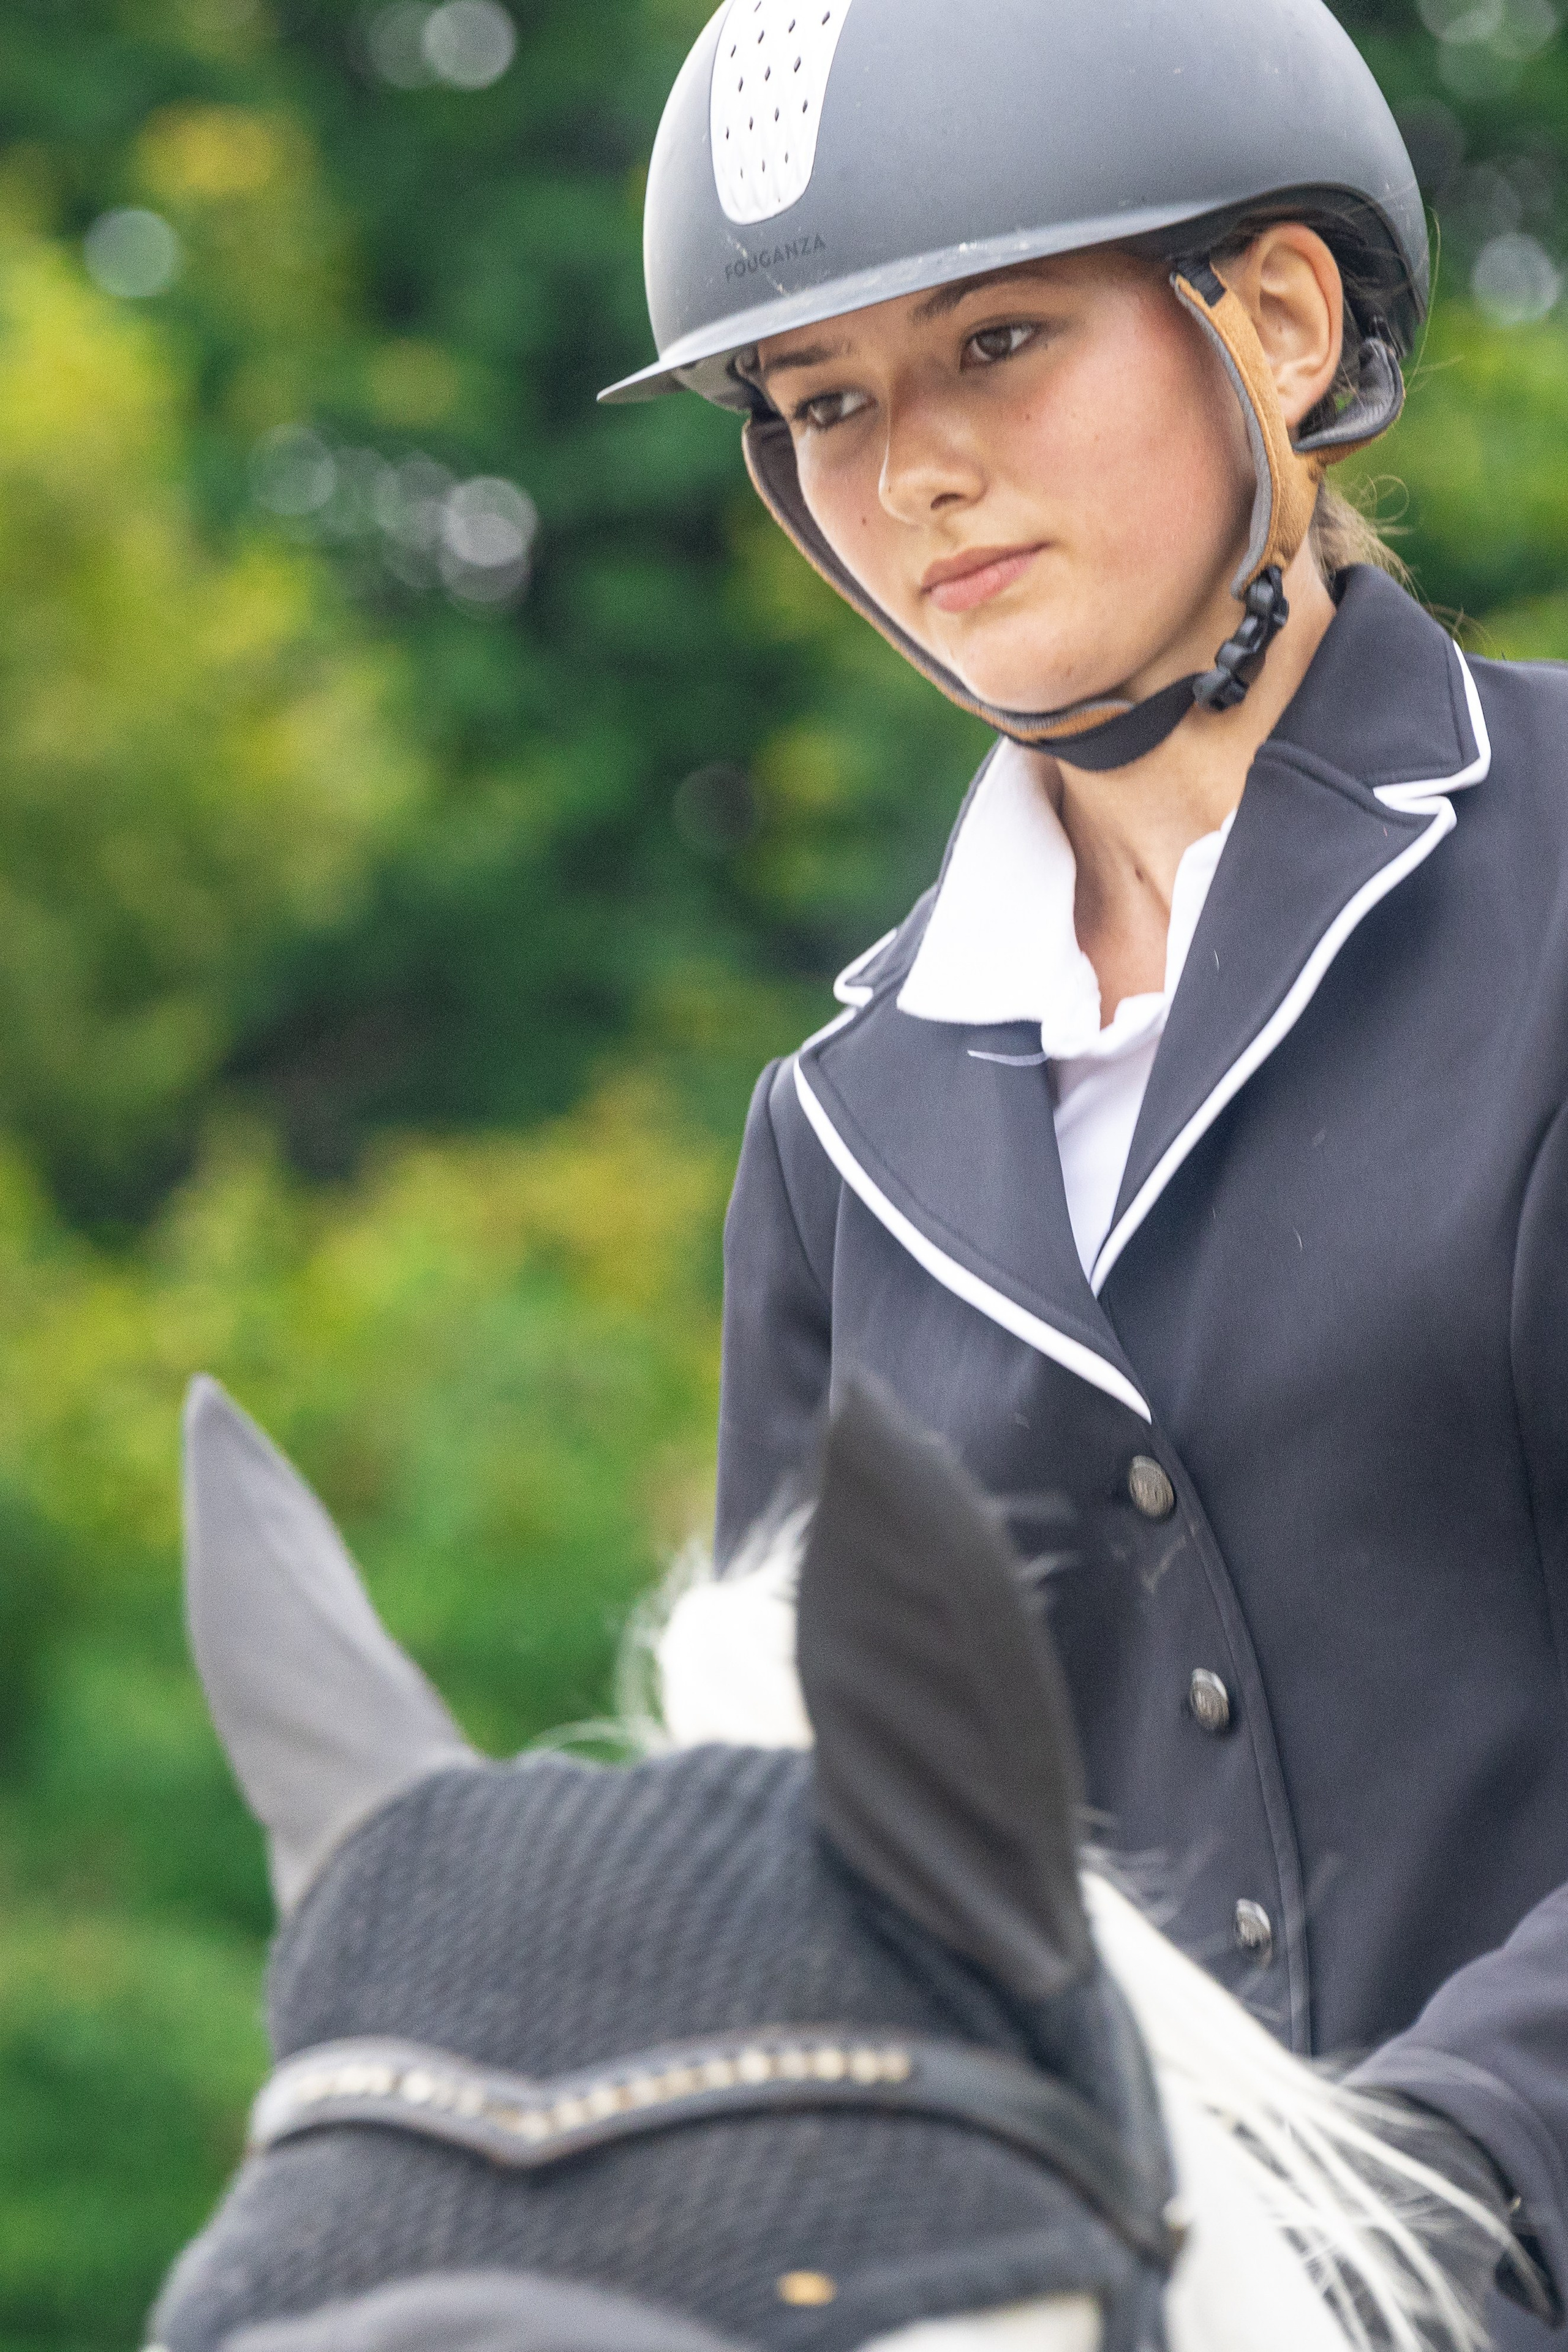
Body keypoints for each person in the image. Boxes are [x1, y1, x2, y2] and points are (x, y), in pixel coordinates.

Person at [600, 2, 1568, 2340]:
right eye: (826, 403)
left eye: (998, 343)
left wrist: (1405, 2209)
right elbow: (843, 1889)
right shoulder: (842, 1145)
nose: (912, 471)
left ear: (1277, 318)